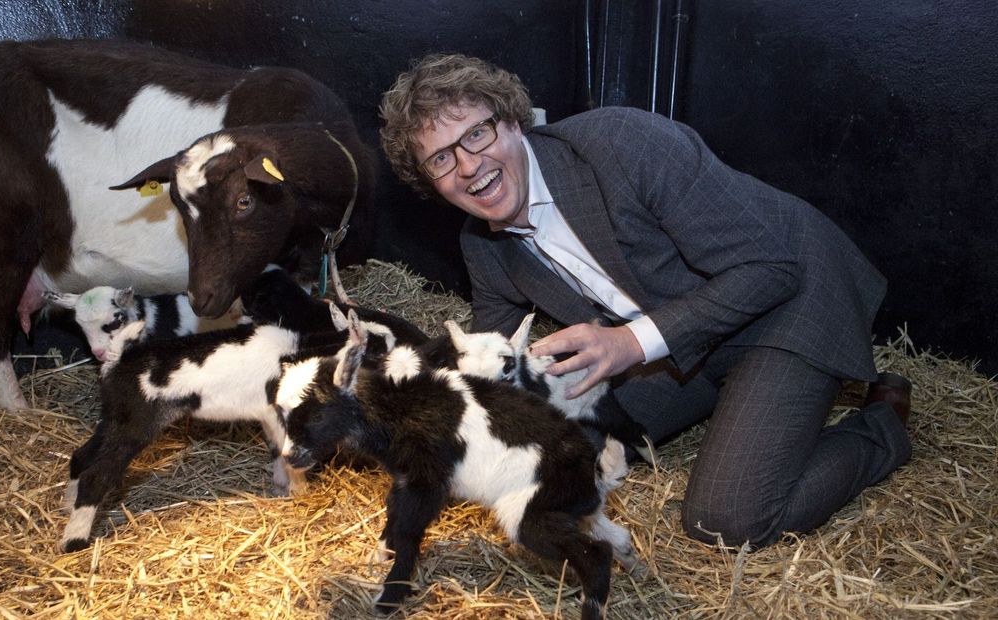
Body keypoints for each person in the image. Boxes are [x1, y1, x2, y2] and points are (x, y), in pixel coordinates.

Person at [379, 53, 912, 549]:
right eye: (441, 159)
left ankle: (882, 426)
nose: (468, 166)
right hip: (683, 338)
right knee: (568, 443)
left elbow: (769, 269)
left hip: (784, 305)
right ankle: (741, 406)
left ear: (515, 122)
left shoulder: (621, 143)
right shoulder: (484, 244)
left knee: (726, 521)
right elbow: (495, 368)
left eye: (477, 133)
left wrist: (629, 342)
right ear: (430, 183)